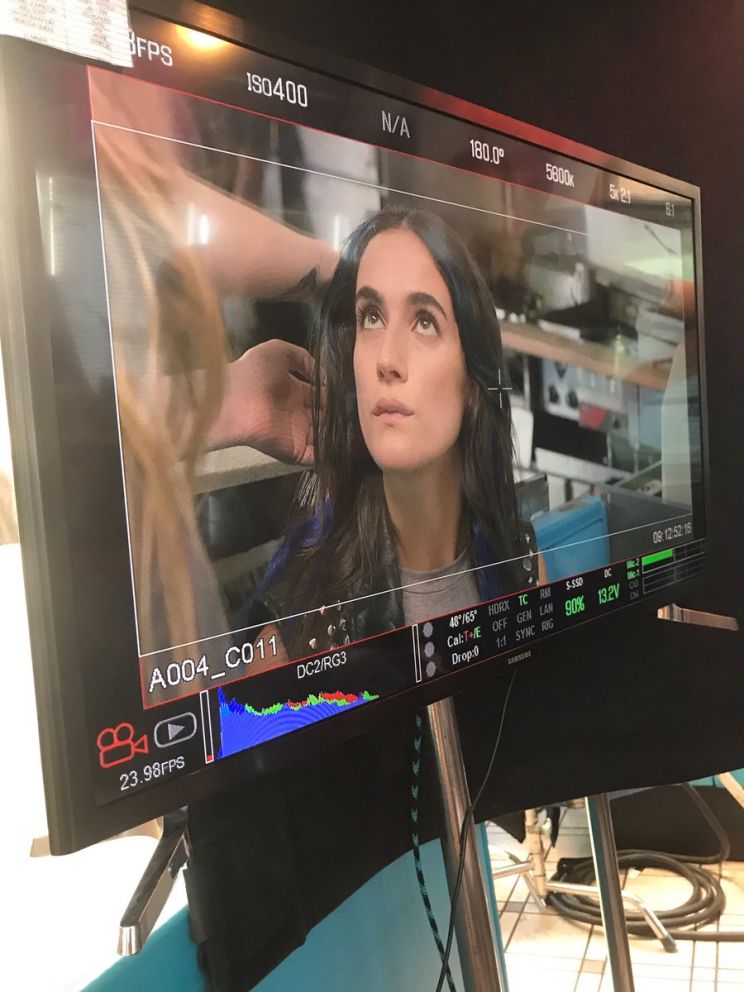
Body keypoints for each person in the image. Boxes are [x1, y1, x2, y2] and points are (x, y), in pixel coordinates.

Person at [243, 205, 543, 665]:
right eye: (370, 316)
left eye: (424, 321)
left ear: (472, 381)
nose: (386, 359)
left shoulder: (521, 566)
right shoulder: (296, 634)